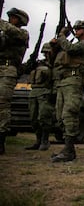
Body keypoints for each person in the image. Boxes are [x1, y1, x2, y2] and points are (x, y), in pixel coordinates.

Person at [50, 20, 84, 162]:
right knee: (60, 115)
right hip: (64, 81)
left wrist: (62, 36)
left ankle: (69, 150)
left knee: (69, 113)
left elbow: (69, 49)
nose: (76, 30)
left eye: (79, 28)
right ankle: (67, 148)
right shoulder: (75, 45)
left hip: (75, 81)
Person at [0, 8, 29, 154]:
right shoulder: (5, 33)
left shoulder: (22, 34)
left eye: (14, 17)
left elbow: (11, 31)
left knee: (2, 104)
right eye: (9, 17)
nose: (11, 19)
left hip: (8, 70)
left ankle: (1, 139)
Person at [25, 43, 55, 151]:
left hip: (45, 92)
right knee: (33, 118)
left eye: (48, 52)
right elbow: (25, 69)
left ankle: (45, 140)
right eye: (45, 52)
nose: (46, 55)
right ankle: (38, 140)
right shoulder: (37, 64)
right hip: (34, 92)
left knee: (43, 117)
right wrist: (31, 60)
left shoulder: (55, 64)